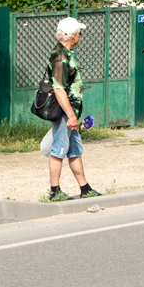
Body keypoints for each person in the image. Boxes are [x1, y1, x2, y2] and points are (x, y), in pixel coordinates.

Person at [46, 17, 99, 201]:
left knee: (75, 150)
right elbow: (59, 89)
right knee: (58, 150)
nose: (80, 36)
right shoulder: (60, 58)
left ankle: (85, 188)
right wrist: (70, 115)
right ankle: (54, 192)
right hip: (64, 112)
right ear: (73, 35)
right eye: (79, 33)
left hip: (72, 113)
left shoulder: (67, 54)